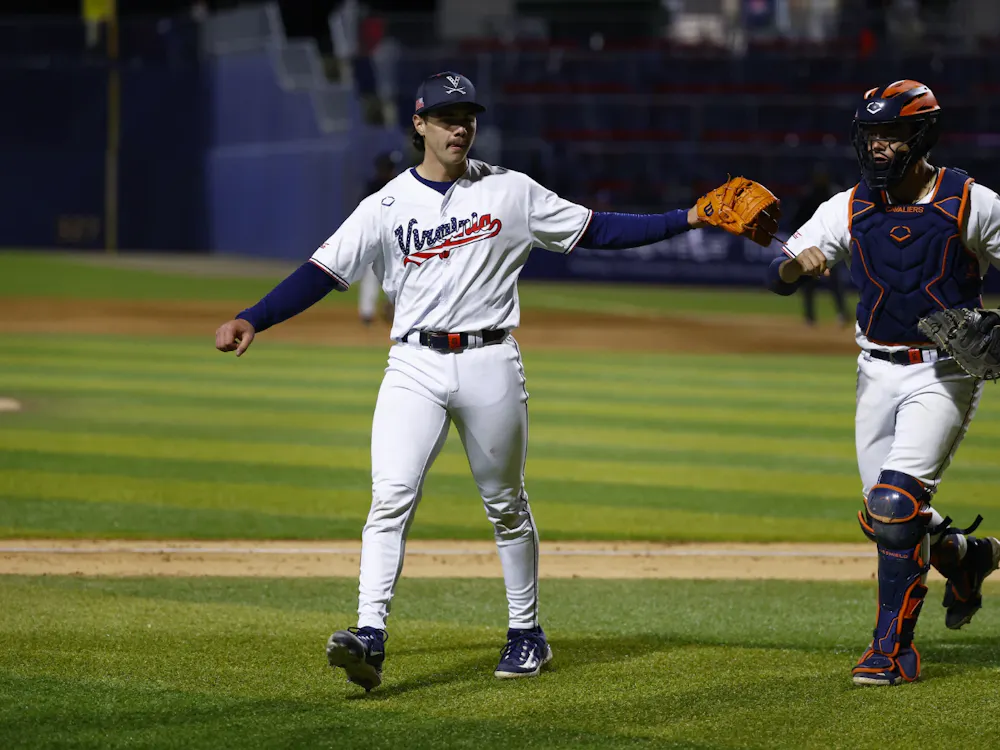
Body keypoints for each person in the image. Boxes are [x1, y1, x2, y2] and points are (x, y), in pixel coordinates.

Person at [215, 71, 777, 692]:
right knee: (389, 497)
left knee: (506, 505)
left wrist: (692, 215)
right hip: (414, 364)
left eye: (469, 117)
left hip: (490, 362)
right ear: (419, 125)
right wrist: (253, 317)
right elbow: (321, 272)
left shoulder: (512, 191)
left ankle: (526, 633)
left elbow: (600, 229)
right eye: (447, 117)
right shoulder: (386, 205)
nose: (460, 127)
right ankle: (369, 634)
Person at [767, 80, 1000, 687]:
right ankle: (965, 557)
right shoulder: (849, 206)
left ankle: (890, 653)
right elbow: (780, 274)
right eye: (871, 134)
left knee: (896, 508)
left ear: (921, 136)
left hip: (944, 372)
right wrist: (798, 265)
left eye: (892, 134)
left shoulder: (970, 202)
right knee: (885, 517)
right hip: (873, 370)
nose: (878, 147)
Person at [792, 167, 849, 327]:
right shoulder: (808, 194)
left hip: (832, 244)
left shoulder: (834, 195)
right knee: (809, 283)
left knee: (835, 283)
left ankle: (842, 313)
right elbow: (797, 219)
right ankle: (810, 317)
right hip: (811, 245)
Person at [357, 151, 401, 325]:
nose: (391, 171)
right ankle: (369, 312)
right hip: (378, 238)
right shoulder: (379, 186)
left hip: (390, 239)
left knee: (389, 275)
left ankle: (383, 310)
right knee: (375, 275)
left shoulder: (394, 185)